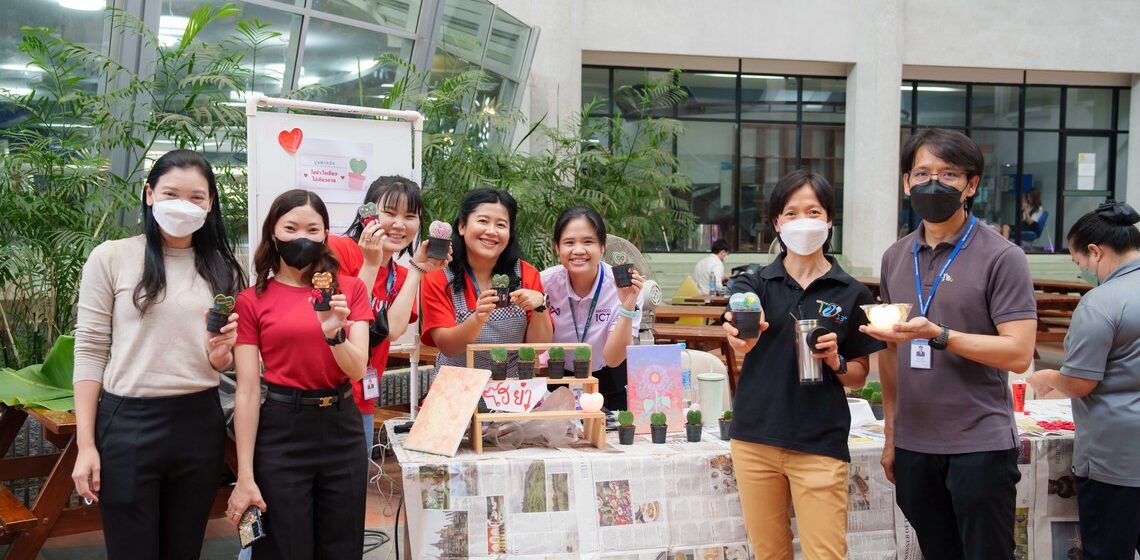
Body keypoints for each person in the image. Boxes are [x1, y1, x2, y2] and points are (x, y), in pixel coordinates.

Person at [861, 128, 1038, 560]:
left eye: (948, 174)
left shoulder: (1003, 257)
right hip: (914, 445)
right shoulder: (895, 256)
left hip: (980, 444)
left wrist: (939, 335)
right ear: (906, 183)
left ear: (971, 185)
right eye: (922, 173)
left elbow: (1018, 353)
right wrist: (891, 434)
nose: (933, 183)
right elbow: (891, 353)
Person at [71, 150, 246, 559]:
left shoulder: (225, 268)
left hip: (199, 422)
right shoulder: (111, 257)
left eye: (196, 197)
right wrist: (86, 445)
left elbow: (225, 360)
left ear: (210, 203)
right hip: (127, 423)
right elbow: (90, 350)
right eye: (171, 193)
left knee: (184, 549)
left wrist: (222, 357)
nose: (183, 205)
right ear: (149, 194)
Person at [722, 169, 884, 559]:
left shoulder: (852, 293)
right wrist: (742, 330)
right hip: (755, 440)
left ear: (829, 221)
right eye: (791, 213)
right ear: (777, 223)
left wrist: (835, 360)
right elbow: (741, 317)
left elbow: (859, 375)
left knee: (825, 553)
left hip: (819, 443)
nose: (803, 222)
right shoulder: (756, 284)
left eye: (813, 212)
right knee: (769, 553)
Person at [227, 189, 372, 559]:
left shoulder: (350, 290)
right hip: (282, 430)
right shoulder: (251, 300)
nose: (301, 238)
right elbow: (247, 391)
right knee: (283, 547)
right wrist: (244, 475)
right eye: (290, 228)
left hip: (342, 426)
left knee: (343, 546)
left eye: (313, 229)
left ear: (326, 235)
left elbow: (357, 368)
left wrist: (334, 333)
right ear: (273, 233)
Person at [1026, 201, 1140, 559]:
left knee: (1107, 551)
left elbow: (1080, 382)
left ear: (1095, 251)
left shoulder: (1101, 303)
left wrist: (1048, 376)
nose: (1082, 273)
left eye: (1079, 263)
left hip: (1117, 457)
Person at [327, 176, 450, 464]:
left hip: (363, 399)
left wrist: (418, 269)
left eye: (410, 216)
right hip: (324, 394)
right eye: (390, 213)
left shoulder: (402, 275)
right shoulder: (338, 249)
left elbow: (393, 330)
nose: (399, 224)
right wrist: (371, 264)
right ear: (368, 213)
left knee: (354, 486)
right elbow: (341, 317)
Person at [421, 188, 552, 371]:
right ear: (462, 226)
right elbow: (448, 347)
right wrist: (477, 319)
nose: (491, 231)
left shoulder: (527, 273)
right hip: (457, 384)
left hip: (512, 385)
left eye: (501, 225)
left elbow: (538, 348)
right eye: (483, 221)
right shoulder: (438, 276)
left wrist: (540, 305)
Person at [541, 206, 644, 409]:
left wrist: (627, 305)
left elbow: (614, 358)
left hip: (609, 379)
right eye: (569, 242)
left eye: (588, 242)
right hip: (558, 378)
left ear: (603, 246)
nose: (578, 250)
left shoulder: (625, 287)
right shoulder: (544, 283)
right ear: (557, 248)